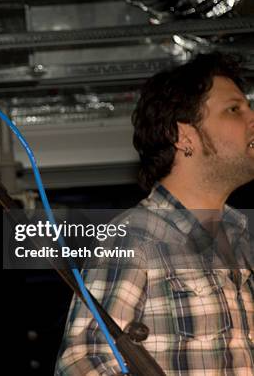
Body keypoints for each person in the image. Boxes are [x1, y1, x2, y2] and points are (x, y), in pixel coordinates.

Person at [55, 52, 254, 375]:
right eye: (234, 109)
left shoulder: (241, 236)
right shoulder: (138, 235)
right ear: (184, 136)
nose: (251, 117)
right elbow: (83, 363)